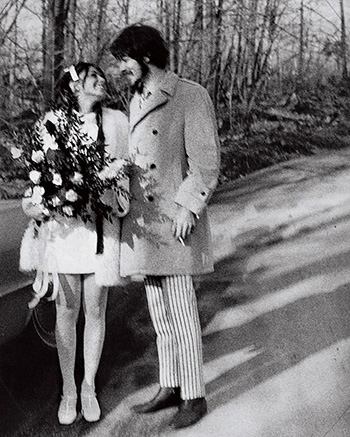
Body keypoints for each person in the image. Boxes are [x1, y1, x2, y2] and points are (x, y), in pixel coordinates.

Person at [110, 24, 220, 429]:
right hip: (145, 223)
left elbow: (206, 162)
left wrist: (189, 207)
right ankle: (169, 383)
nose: (120, 69)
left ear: (146, 56)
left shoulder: (190, 95)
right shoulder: (136, 98)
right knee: (159, 312)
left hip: (174, 220)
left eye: (124, 60)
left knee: (182, 310)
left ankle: (194, 394)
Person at [19, 62, 129, 425]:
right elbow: (37, 176)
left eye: (101, 76)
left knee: (95, 311)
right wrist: (40, 202)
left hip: (99, 229)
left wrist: (118, 192)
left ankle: (88, 386)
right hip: (63, 232)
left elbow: (127, 168)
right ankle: (68, 389)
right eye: (92, 77)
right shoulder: (50, 124)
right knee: (67, 313)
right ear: (74, 86)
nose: (101, 81)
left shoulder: (115, 122)